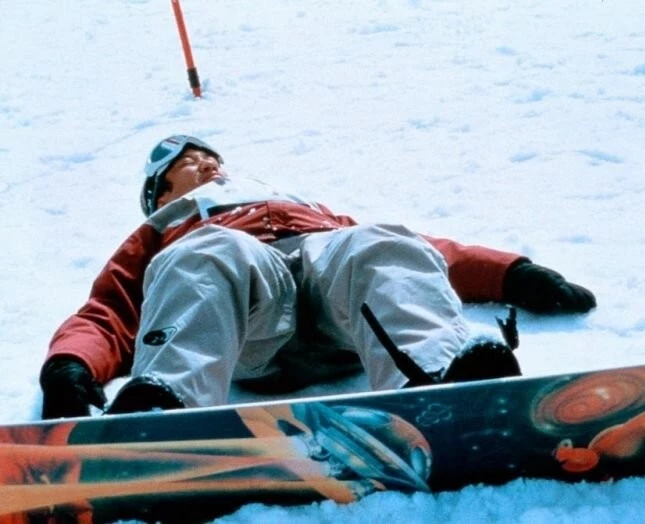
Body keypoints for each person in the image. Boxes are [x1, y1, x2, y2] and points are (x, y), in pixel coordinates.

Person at [39, 135, 597, 418]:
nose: (210, 164)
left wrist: (514, 274)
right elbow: (108, 312)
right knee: (206, 254)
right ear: (161, 192)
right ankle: (166, 411)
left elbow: (415, 256)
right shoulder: (165, 230)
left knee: (374, 240)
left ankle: (437, 378)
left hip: (336, 312)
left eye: (212, 158)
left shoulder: (307, 209)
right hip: (246, 324)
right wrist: (70, 364)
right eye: (190, 160)